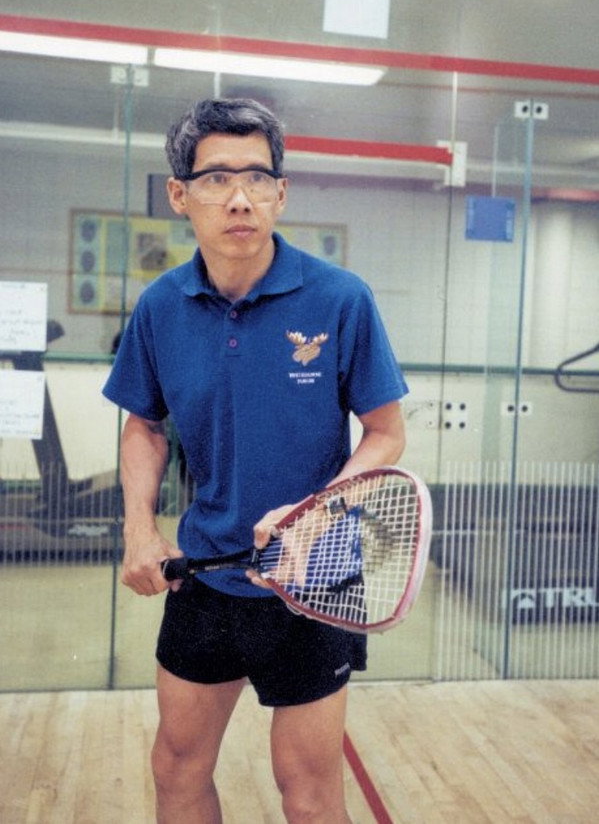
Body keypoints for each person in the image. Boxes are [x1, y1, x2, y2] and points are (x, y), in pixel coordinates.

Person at [103, 97, 408, 824]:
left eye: (257, 178)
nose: (238, 198)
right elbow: (143, 425)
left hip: (315, 575)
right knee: (176, 766)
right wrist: (139, 528)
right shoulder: (160, 307)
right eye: (215, 178)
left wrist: (316, 513)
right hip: (205, 572)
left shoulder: (340, 298)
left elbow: (385, 432)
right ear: (180, 195)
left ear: (281, 192)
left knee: (308, 791)